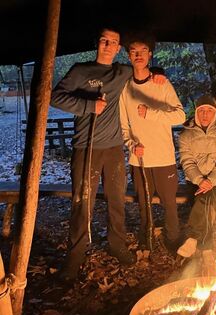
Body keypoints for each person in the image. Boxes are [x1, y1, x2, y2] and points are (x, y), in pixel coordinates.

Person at [51, 27, 140, 281]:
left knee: (116, 199)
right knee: (82, 201)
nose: (108, 45)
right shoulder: (81, 70)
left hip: (113, 149)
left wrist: (158, 75)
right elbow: (55, 97)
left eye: (113, 42)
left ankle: (117, 245)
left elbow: (142, 71)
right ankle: (76, 255)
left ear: (118, 47)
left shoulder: (121, 72)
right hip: (86, 146)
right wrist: (89, 105)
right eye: (104, 40)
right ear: (97, 43)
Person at [119, 32, 186, 253]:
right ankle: (146, 238)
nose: (138, 55)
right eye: (134, 52)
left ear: (150, 54)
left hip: (164, 157)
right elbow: (123, 127)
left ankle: (173, 240)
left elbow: (180, 116)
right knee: (144, 205)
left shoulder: (162, 83)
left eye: (143, 51)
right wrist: (131, 145)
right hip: (139, 160)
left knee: (170, 205)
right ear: (129, 56)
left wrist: (152, 114)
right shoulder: (124, 88)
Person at [176, 94, 216, 258]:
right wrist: (200, 180)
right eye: (202, 110)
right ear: (196, 112)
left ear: (215, 113)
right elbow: (187, 162)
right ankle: (206, 249)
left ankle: (192, 237)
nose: (205, 114)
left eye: (209, 111)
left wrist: (210, 181)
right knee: (205, 198)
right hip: (195, 181)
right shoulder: (186, 135)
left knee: (204, 198)